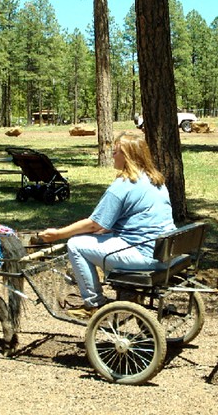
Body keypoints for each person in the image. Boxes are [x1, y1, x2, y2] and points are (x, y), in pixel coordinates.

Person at [38, 132, 176, 319]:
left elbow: (94, 225)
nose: (112, 155)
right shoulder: (155, 180)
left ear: (127, 156)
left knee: (76, 244)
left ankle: (93, 304)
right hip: (166, 251)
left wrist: (58, 234)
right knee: (96, 240)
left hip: (144, 255)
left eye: (116, 151)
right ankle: (127, 292)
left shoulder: (123, 185)